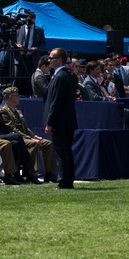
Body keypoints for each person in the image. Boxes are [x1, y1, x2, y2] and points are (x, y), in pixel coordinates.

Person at [0, 85, 36, 183]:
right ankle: (28, 168)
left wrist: (7, 133)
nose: (0, 97)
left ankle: (13, 175)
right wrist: (8, 133)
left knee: (15, 143)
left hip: (0, 135)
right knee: (16, 136)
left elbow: (2, 126)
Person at [0, 86, 56, 182]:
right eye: (16, 96)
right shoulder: (4, 111)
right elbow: (12, 129)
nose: (19, 98)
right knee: (33, 144)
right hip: (17, 138)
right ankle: (31, 172)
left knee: (48, 144)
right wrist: (30, 138)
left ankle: (49, 173)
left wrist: (34, 136)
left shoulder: (16, 111)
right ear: (10, 97)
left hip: (25, 136)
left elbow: (25, 127)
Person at [43, 48, 78, 189]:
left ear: (59, 60)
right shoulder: (67, 75)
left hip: (61, 122)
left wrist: (50, 123)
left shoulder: (60, 77)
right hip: (67, 121)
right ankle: (68, 179)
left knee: (61, 152)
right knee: (66, 152)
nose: (48, 60)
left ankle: (64, 181)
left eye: (51, 58)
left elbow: (56, 102)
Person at [15, 11, 45, 95]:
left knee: (31, 79)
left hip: (32, 58)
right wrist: (17, 45)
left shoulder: (39, 30)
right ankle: (14, 95)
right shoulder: (19, 28)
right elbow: (12, 40)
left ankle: (30, 96)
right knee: (17, 78)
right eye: (27, 20)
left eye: (31, 20)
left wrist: (36, 48)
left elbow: (43, 44)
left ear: (34, 20)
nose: (29, 23)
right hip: (20, 58)